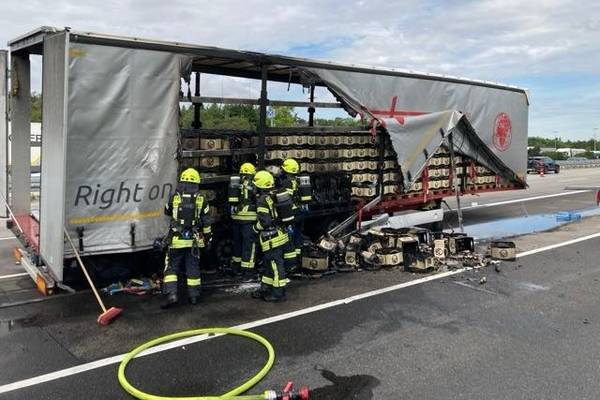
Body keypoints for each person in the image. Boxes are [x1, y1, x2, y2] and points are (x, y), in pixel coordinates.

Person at [161, 168, 212, 309]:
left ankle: (172, 294)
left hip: (176, 240)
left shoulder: (174, 197)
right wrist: (207, 237)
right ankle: (194, 296)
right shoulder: (201, 199)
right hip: (194, 241)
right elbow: (206, 222)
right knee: (193, 267)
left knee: (171, 268)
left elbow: (167, 211)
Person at [251, 170, 290, 302]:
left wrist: (255, 229)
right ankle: (265, 288)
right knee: (268, 265)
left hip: (272, 239)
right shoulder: (273, 195)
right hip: (278, 235)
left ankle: (278, 293)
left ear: (260, 186)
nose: (253, 188)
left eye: (255, 185)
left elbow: (265, 222)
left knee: (275, 266)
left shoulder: (262, 200)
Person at [228, 162, 258, 281]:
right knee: (249, 245)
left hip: (236, 218)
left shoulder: (235, 183)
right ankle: (248, 271)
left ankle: (236, 268)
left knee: (237, 243)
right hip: (249, 219)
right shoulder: (253, 184)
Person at [277, 158, 307, 269]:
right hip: (299, 212)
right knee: (298, 237)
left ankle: (290, 264)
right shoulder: (296, 180)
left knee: (289, 239)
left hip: (292, 213)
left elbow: (286, 200)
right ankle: (298, 260)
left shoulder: (287, 182)